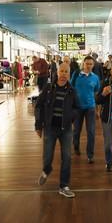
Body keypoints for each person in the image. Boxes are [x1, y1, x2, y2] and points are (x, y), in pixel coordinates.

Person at [35, 63, 77, 198]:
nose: (63, 74)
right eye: (61, 71)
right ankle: (47, 169)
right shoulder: (48, 88)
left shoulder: (72, 91)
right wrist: (38, 125)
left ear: (69, 74)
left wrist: (71, 117)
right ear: (57, 73)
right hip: (50, 128)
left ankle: (64, 186)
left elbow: (76, 107)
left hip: (66, 129)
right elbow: (38, 106)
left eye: (66, 72)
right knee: (47, 156)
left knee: (67, 157)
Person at [72, 55, 101, 162]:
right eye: (87, 63)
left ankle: (90, 155)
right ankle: (76, 146)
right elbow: (71, 88)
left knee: (91, 132)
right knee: (76, 130)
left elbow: (96, 92)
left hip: (90, 107)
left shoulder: (95, 78)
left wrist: (97, 110)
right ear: (83, 64)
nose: (88, 66)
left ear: (93, 65)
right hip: (78, 107)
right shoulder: (76, 75)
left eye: (90, 64)